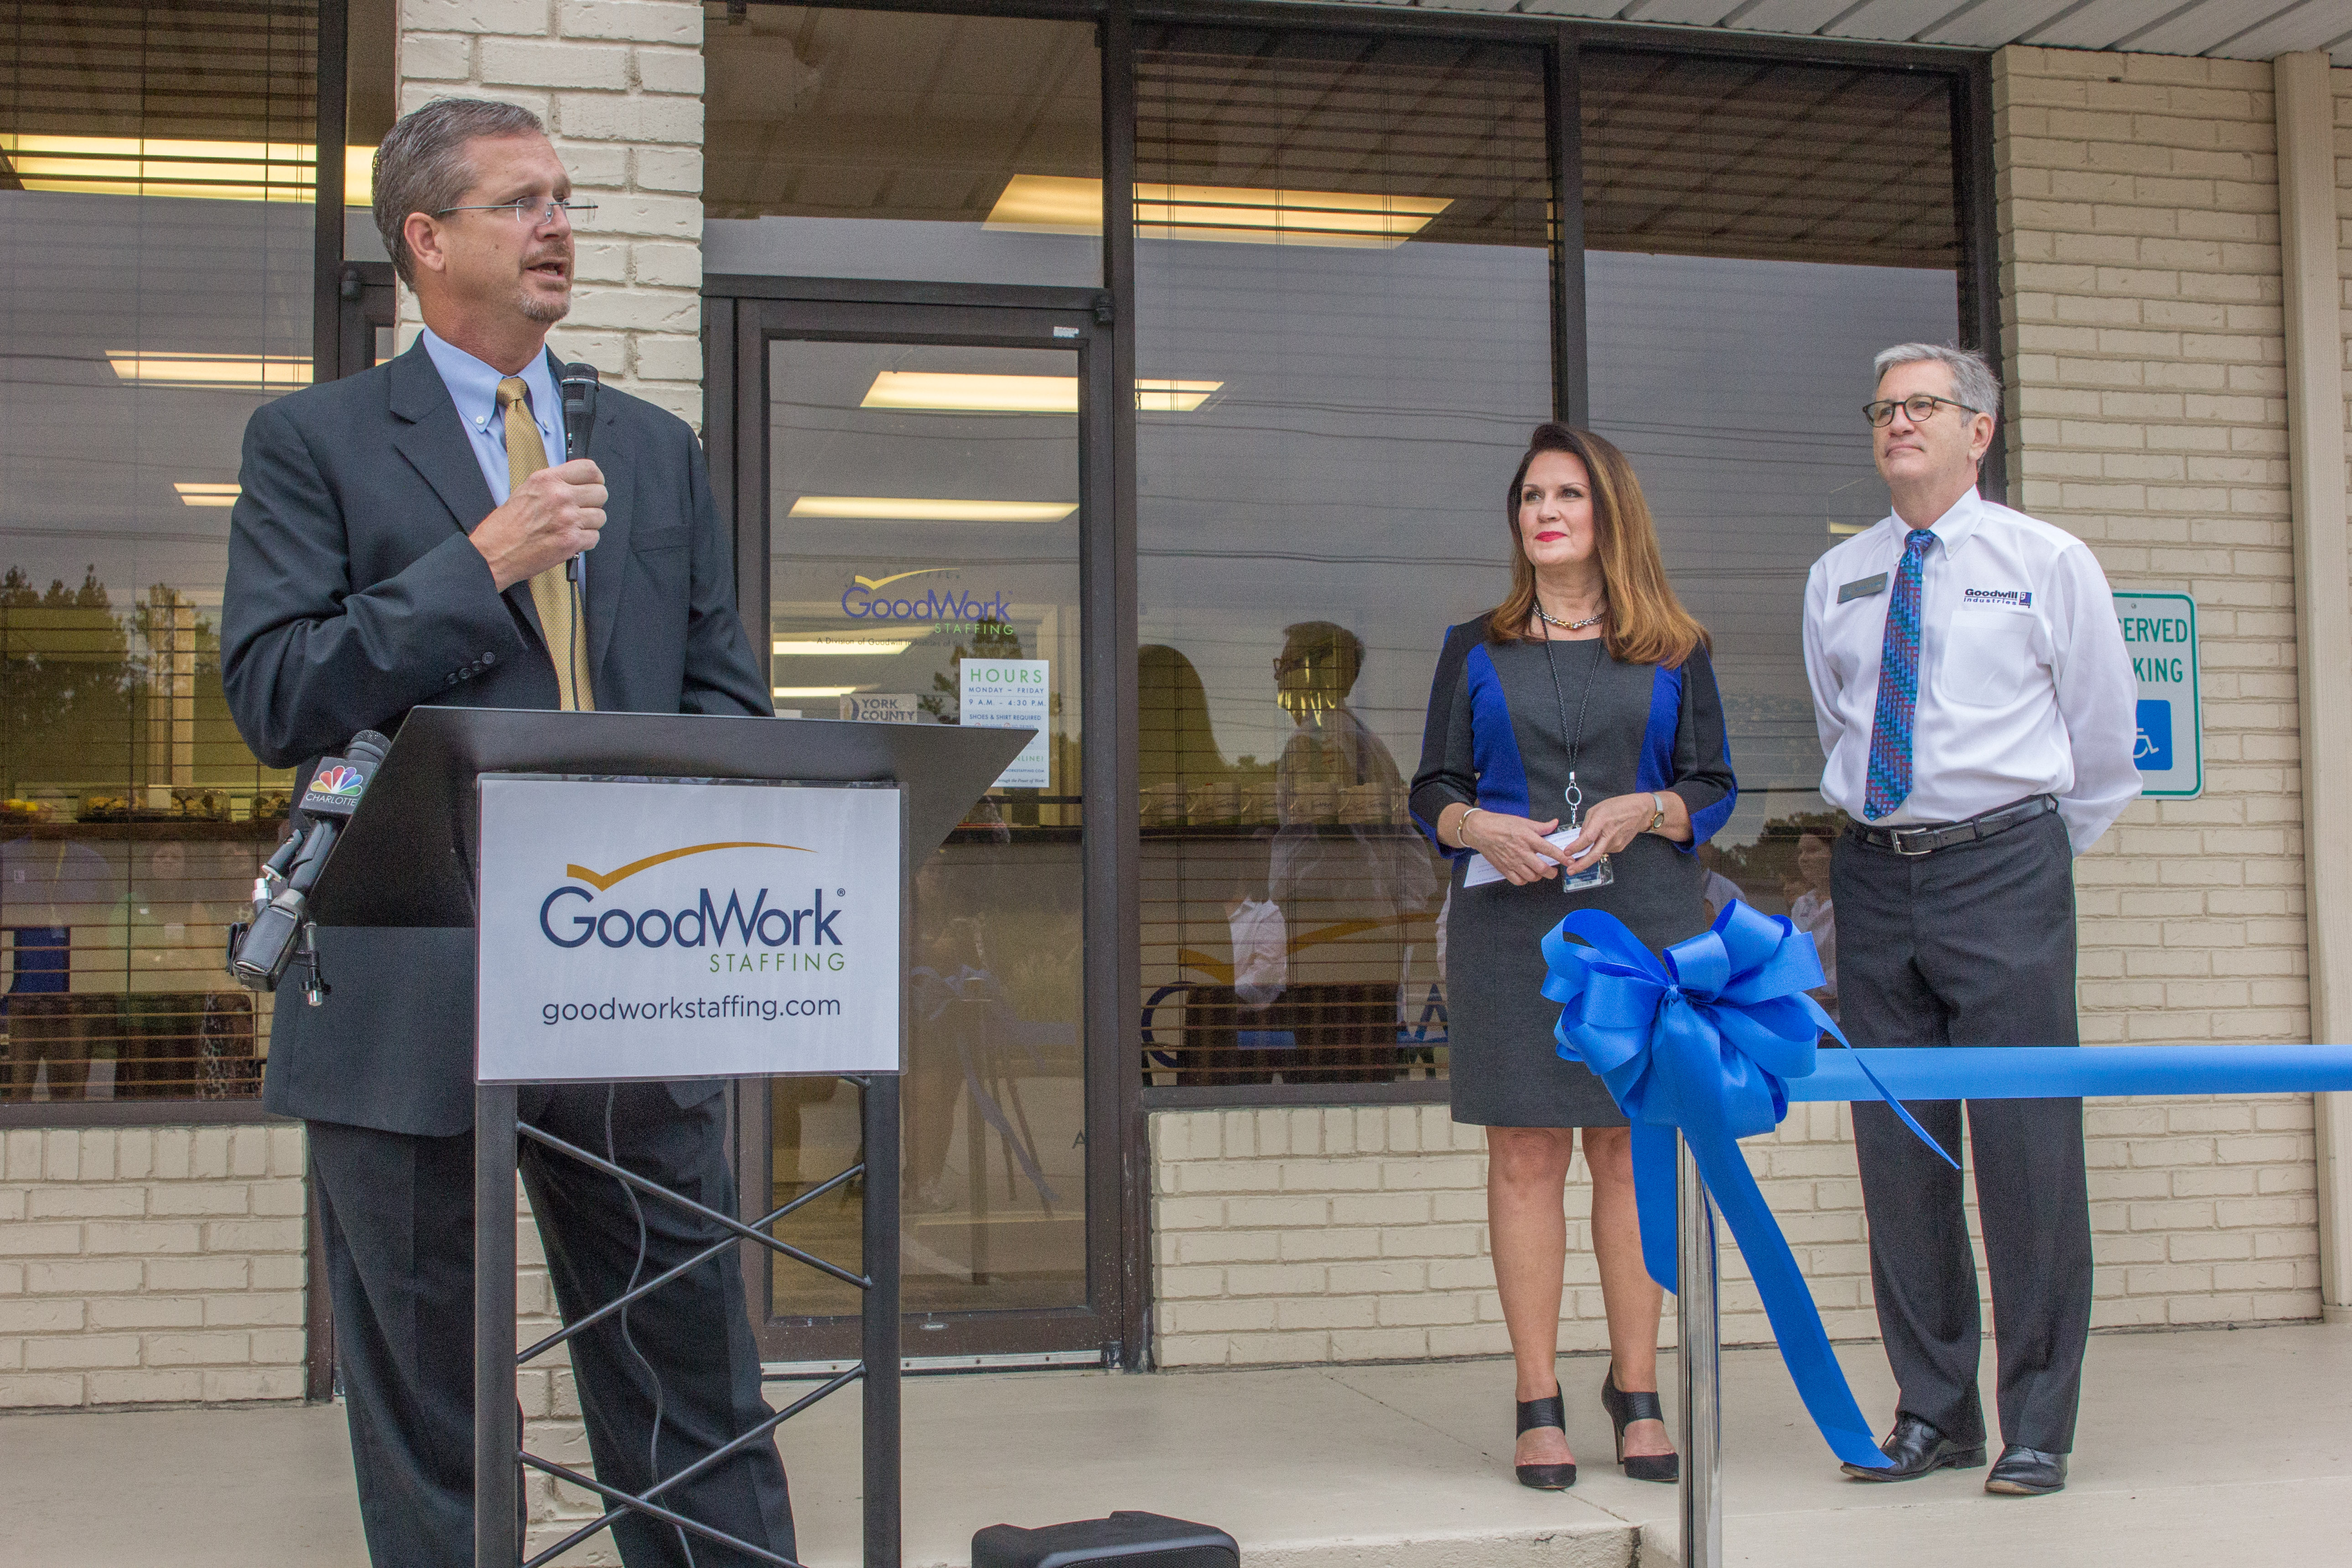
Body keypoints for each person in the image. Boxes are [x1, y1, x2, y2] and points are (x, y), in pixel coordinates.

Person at [221, 100, 793, 1566]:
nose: (558, 227)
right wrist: (478, 565)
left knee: (690, 1372)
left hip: (631, 965)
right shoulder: (314, 443)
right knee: (432, 1395)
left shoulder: (654, 452)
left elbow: (722, 697)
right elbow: (276, 691)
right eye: (521, 202)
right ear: (426, 239)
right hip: (413, 974)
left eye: (565, 200)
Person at [1801, 343, 2137, 1499]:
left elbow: (2099, 745)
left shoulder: (2045, 561)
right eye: (1882, 407)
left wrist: (2019, 860)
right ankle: (1931, 1413)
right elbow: (1839, 726)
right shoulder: (1838, 574)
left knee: (2025, 1151)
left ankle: (2034, 1422)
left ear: (1976, 431)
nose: (1896, 424)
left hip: (2003, 873)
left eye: (1921, 407)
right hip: (1872, 877)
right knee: (1898, 1155)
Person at [1410, 422, 1736, 1489]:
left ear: (1607, 515)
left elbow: (1714, 784)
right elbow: (1430, 790)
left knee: (1626, 1150)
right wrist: (1473, 828)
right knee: (1522, 1156)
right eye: (1528, 496)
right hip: (1513, 924)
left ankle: (1635, 1389)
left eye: (1565, 494)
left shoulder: (1675, 646)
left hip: (1641, 922)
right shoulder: (1475, 645)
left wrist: (1653, 805)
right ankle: (1536, 1396)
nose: (1542, 512)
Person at [1784, 829, 1837, 1014]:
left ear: (1834, 853)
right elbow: (1793, 957)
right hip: (1803, 1010)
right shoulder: (1802, 904)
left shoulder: (1851, 903)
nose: (1804, 859)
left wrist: (1828, 993)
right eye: (1801, 852)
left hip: (1842, 1015)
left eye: (1812, 850)